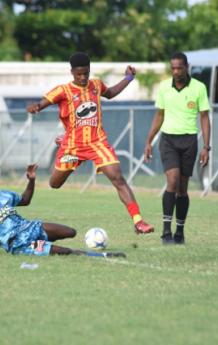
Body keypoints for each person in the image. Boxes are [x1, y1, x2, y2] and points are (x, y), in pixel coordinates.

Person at [26, 52, 154, 235]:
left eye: (86, 73)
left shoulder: (96, 85)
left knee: (117, 177)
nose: (83, 77)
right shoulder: (63, 90)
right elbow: (42, 103)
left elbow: (110, 93)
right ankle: (64, 142)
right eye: (79, 74)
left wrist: (128, 77)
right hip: (72, 146)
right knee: (54, 184)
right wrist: (36, 107)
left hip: (97, 143)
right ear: (72, 72)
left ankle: (138, 221)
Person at [0, 166, 126, 258]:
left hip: (30, 227)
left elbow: (25, 200)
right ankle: (105, 256)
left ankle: (45, 240)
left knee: (71, 232)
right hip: (18, 243)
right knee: (66, 252)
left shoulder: (4, 195)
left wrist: (31, 180)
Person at [144, 52, 211, 245]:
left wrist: (206, 146)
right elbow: (159, 115)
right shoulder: (165, 87)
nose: (175, 71)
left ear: (186, 67)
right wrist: (149, 140)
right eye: (172, 68)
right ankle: (166, 232)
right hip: (168, 141)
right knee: (172, 182)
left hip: (189, 141)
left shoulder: (199, 87)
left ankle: (179, 232)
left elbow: (205, 118)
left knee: (182, 188)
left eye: (179, 68)